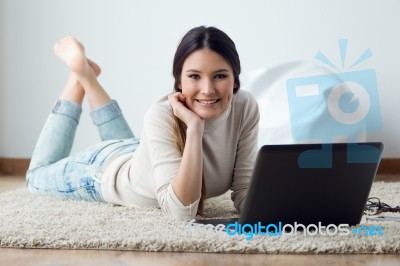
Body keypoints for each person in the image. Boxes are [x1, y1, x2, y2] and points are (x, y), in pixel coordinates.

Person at [26, 26, 260, 220]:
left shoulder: (245, 107)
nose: (208, 90)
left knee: (132, 147)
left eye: (220, 75)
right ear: (178, 81)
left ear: (235, 79)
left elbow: (244, 191)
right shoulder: (161, 115)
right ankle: (78, 79)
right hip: (101, 171)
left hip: (139, 154)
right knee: (35, 177)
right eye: (194, 76)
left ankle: (87, 77)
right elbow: (181, 212)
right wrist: (195, 129)